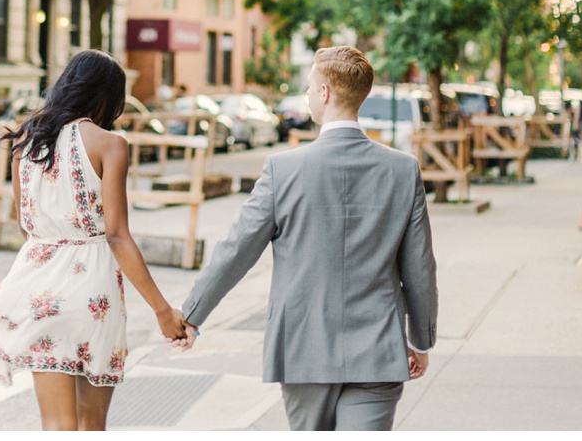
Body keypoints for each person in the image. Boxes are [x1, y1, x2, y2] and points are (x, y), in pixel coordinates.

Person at [177, 45, 438, 431]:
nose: (308, 95)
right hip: (378, 349)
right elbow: (419, 267)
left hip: (304, 349)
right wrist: (421, 338)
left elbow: (237, 249)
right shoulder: (402, 170)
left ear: (326, 94)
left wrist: (191, 315)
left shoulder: (282, 170)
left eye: (310, 87)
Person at [0, 51, 187, 430]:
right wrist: (162, 310)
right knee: (91, 423)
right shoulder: (110, 144)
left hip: (40, 289)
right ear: (107, 98)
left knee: (56, 424)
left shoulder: (24, 142)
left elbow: (27, 225)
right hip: (93, 292)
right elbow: (118, 236)